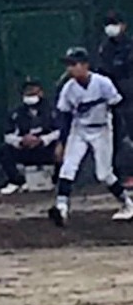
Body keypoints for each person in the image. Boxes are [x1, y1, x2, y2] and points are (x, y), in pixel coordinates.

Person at [48, 46, 133, 226]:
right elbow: (65, 117)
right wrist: (61, 142)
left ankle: (127, 203)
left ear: (85, 65)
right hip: (79, 129)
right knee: (68, 167)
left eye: (74, 64)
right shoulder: (68, 88)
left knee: (104, 174)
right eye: (69, 65)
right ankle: (61, 207)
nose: (70, 68)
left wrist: (121, 135)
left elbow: (117, 108)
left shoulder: (102, 83)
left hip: (102, 129)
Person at [0, 78, 59, 195]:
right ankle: (16, 182)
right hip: (25, 149)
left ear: (41, 93)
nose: (30, 94)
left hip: (45, 148)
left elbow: (58, 131)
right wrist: (21, 141)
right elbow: (8, 135)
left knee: (61, 148)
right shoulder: (16, 113)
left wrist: (42, 140)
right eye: (28, 92)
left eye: (34, 92)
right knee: (4, 151)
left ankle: (56, 181)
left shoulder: (52, 111)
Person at [95, 10, 133, 186]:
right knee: (115, 137)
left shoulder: (130, 46)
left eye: (115, 23)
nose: (111, 27)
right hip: (112, 100)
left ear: (123, 26)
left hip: (130, 97)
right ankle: (120, 175)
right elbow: (103, 72)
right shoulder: (104, 48)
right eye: (108, 24)